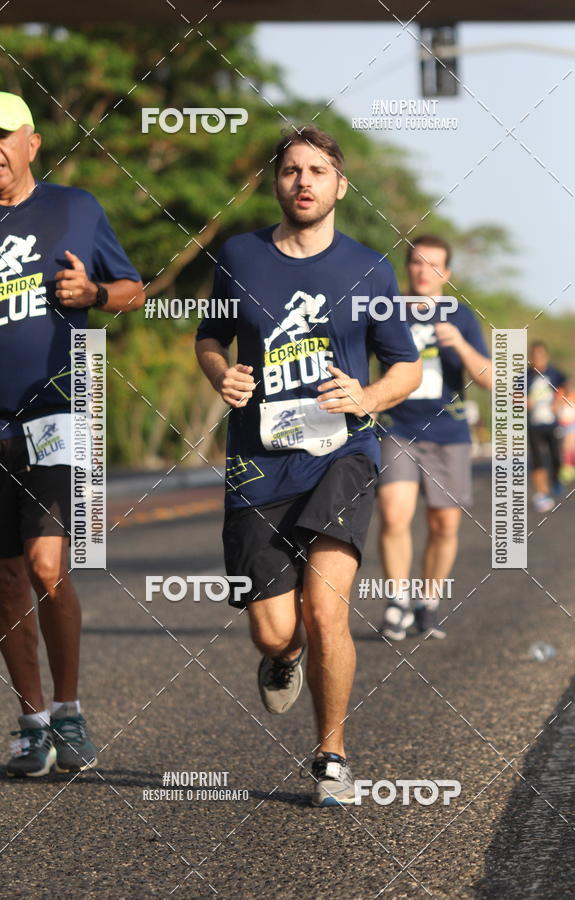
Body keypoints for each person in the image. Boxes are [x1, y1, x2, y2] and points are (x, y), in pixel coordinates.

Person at [195, 125, 421, 807]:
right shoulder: (239, 256)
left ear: (339, 185)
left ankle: (331, 756)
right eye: (292, 170)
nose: (304, 181)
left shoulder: (368, 268)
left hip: (342, 455)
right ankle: (283, 658)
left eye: (318, 171)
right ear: (277, 182)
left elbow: (406, 365)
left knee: (327, 608)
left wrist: (368, 396)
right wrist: (220, 375)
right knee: (276, 629)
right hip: (259, 463)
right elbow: (211, 335)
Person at [0, 92, 145, 776]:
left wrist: (93, 297)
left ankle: (70, 709)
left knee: (46, 566)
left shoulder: (76, 208)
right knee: (4, 579)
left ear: (31, 142)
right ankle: (31, 722)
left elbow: (133, 289)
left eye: (4, 136)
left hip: (57, 411)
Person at [378, 235, 492, 641]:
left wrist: (459, 344)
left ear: (447, 273)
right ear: (407, 268)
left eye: (434, 265)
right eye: (418, 263)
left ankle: (428, 602)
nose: (425, 271)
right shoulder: (386, 313)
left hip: (448, 432)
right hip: (398, 428)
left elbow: (491, 379)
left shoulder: (461, 317)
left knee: (443, 524)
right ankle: (397, 603)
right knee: (394, 514)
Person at [526, 341, 566, 512]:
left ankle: (556, 479)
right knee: (537, 460)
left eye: (541, 355)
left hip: (552, 423)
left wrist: (558, 401)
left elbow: (564, 388)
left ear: (546, 356)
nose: (538, 358)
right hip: (534, 424)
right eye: (534, 355)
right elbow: (516, 396)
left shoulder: (554, 373)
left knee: (556, 457)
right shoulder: (525, 376)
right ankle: (542, 493)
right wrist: (523, 401)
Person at [556, 379, 575, 485]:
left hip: (573, 423)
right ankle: (568, 467)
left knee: (569, 446)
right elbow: (556, 406)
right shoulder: (559, 393)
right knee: (564, 448)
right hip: (562, 424)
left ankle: (569, 468)